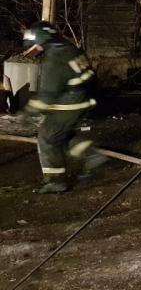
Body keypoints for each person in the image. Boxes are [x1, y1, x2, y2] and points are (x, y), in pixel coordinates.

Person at [22, 21, 104, 194]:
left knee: (47, 137)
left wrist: (28, 112)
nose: (33, 49)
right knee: (65, 135)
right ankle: (91, 155)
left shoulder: (53, 59)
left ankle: (56, 180)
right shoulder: (71, 49)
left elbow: (47, 95)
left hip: (69, 104)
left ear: (41, 40)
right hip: (84, 99)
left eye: (35, 44)